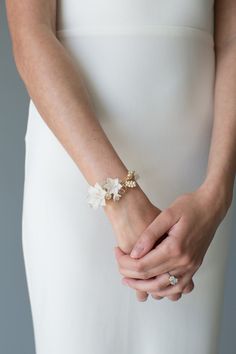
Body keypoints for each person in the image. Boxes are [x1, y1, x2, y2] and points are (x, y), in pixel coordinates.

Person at [6, 0, 236, 353]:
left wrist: (217, 196)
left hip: (195, 199)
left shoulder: (207, 201)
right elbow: (30, 34)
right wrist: (119, 198)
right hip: (78, 171)